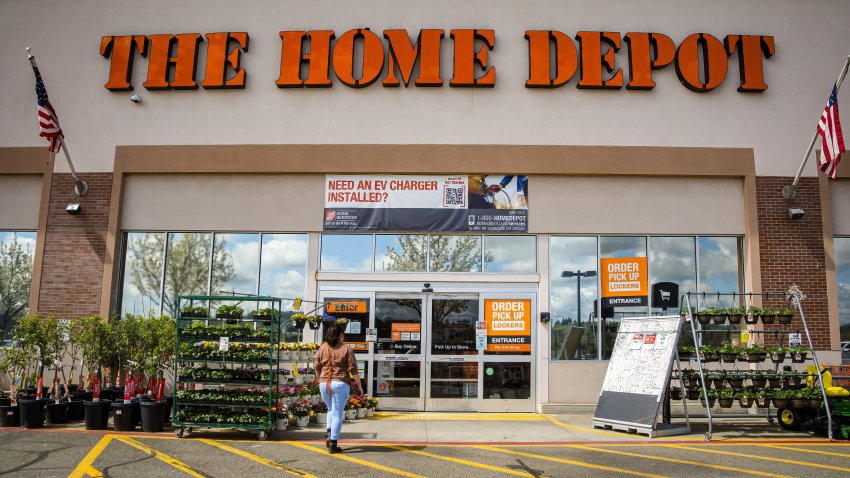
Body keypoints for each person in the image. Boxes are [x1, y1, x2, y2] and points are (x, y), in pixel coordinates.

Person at [313, 322, 364, 453]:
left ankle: (329, 434)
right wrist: (359, 386)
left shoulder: (322, 348)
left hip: (324, 383)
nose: (343, 336)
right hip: (340, 383)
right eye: (342, 334)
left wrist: (321, 378)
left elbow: (316, 366)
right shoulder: (346, 349)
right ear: (338, 335)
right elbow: (354, 370)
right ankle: (333, 443)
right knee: (337, 413)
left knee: (330, 409)